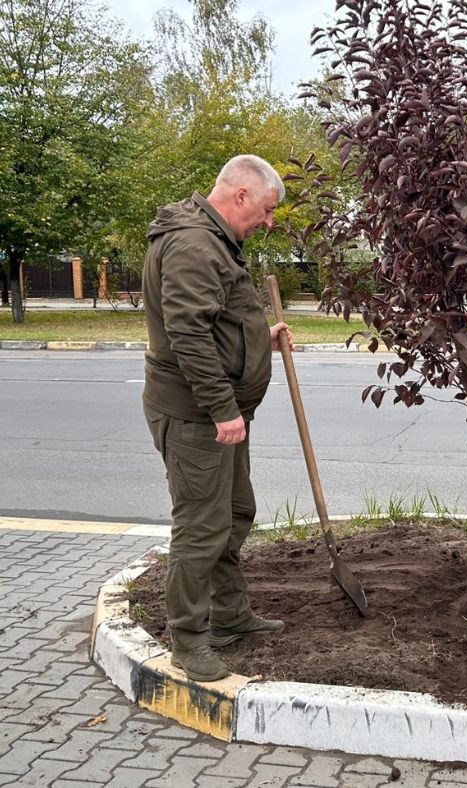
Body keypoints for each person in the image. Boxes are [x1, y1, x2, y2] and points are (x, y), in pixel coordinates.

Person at [142, 154, 294, 681]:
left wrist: (260, 339)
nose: (269, 222)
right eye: (269, 210)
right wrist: (223, 409)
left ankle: (230, 617)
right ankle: (189, 640)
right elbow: (187, 335)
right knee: (202, 528)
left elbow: (216, 320)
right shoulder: (193, 244)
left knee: (234, 512)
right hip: (197, 415)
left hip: (219, 413)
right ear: (242, 196)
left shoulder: (215, 240)